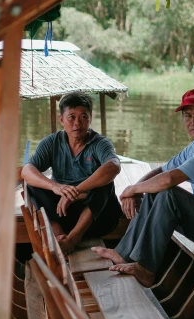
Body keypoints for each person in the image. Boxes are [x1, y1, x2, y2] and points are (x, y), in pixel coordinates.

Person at [93, 89, 194, 287]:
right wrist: (137, 188)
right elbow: (162, 171)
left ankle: (146, 268)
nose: (193, 121)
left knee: (168, 193)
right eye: (188, 115)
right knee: (157, 193)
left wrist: (132, 190)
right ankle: (123, 254)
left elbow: (169, 179)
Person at [22, 92, 123, 253]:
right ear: (61, 119)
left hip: (97, 219)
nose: (77, 123)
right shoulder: (52, 142)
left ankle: (73, 238)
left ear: (90, 118)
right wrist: (56, 187)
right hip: (62, 215)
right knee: (32, 183)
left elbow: (114, 166)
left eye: (83, 117)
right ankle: (59, 235)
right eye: (71, 117)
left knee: (105, 184)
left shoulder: (99, 143)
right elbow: (27, 170)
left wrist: (76, 191)